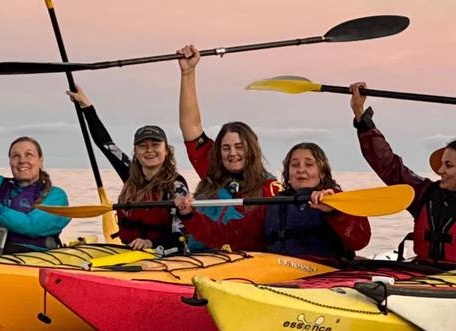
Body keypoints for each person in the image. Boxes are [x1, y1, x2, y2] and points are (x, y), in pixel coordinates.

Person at [349, 83, 456, 265]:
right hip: (423, 272)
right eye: (442, 164)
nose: (440, 171)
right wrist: (360, 116)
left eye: (448, 165)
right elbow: (389, 166)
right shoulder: (426, 194)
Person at [176, 142, 372, 262]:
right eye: (295, 165)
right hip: (277, 273)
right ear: (288, 173)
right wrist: (190, 216)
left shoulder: (334, 199)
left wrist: (334, 211)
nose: (301, 169)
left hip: (323, 275)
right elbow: (229, 234)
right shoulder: (273, 205)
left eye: (309, 164)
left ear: (322, 172)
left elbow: (360, 239)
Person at [176, 44, 282, 249]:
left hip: (246, 260)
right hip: (201, 258)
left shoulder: (270, 187)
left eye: (239, 146)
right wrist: (187, 73)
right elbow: (191, 126)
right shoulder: (212, 168)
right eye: (226, 148)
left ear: (251, 149)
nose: (232, 153)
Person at [69, 87, 188, 251]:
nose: (149, 150)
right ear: (136, 152)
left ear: (166, 150)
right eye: (143, 146)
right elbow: (105, 143)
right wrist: (86, 106)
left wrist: (150, 243)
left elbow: (181, 235)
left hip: (165, 253)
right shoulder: (130, 172)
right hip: (131, 251)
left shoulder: (176, 186)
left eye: (155, 145)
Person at [0, 118, 69, 255]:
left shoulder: (56, 196)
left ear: (40, 161)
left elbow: (32, 225)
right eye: (15, 156)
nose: (22, 160)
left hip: (35, 260)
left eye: (29, 155)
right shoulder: (0, 186)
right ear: (10, 161)